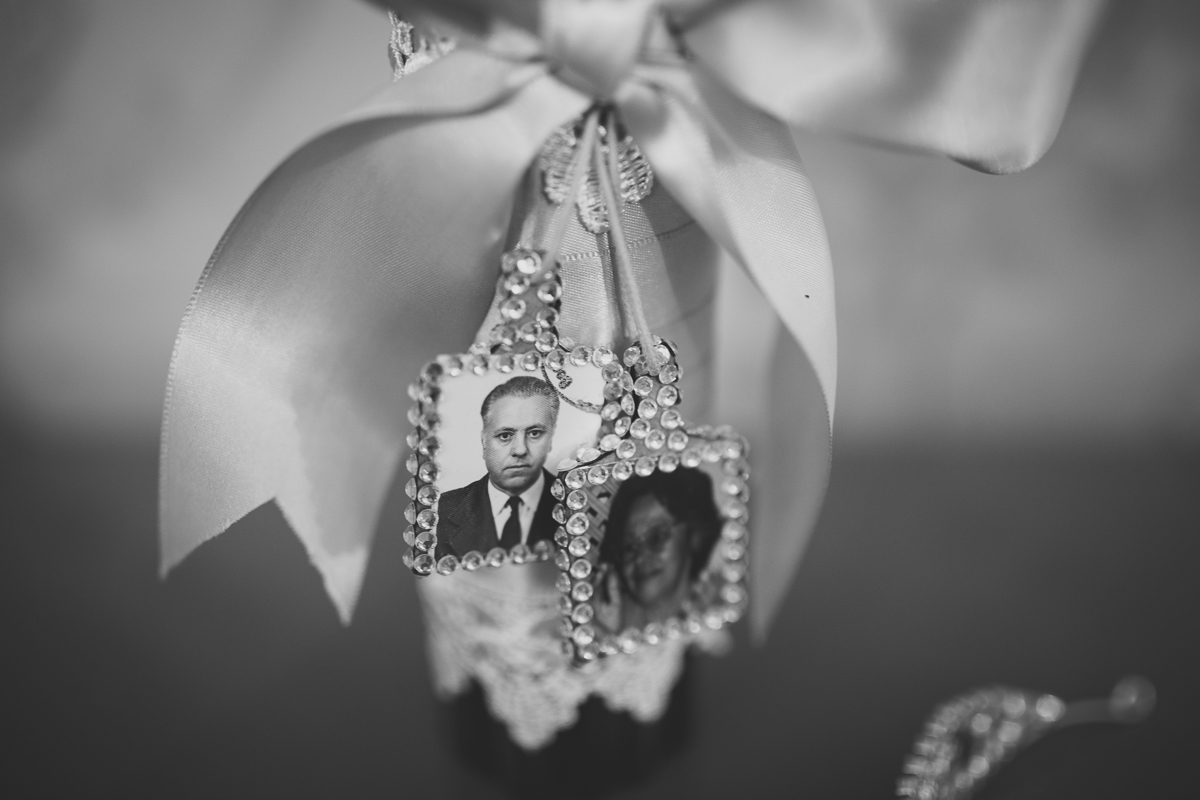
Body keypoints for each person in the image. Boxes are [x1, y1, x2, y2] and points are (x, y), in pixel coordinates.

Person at [436, 376, 560, 558]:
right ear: (484, 442)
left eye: (534, 433)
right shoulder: (442, 510)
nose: (520, 450)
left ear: (551, 438)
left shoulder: (575, 506)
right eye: (505, 435)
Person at [594, 468, 722, 630]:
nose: (640, 557)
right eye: (628, 547)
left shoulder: (723, 605)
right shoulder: (608, 623)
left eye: (656, 537)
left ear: (695, 535)